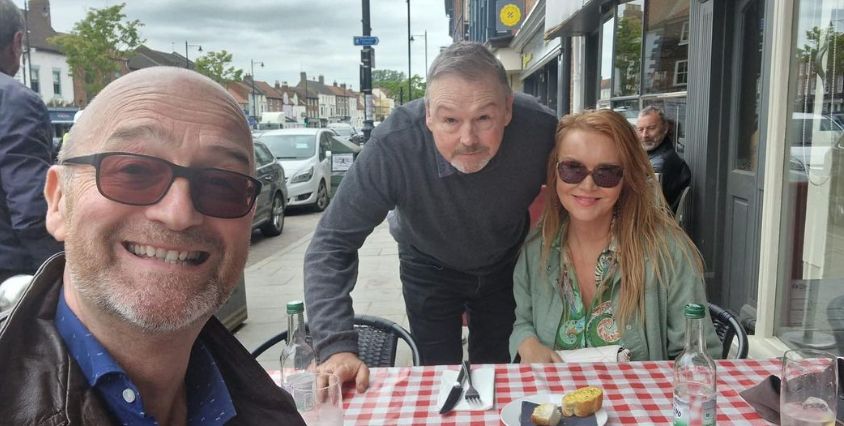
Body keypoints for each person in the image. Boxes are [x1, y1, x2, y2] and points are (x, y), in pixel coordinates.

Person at [0, 67, 304, 425]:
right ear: (57, 201)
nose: (179, 213)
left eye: (222, 184)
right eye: (133, 171)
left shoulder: (271, 410)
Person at [304, 42, 557, 389]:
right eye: (450, 120)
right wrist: (335, 346)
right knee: (440, 379)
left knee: (500, 376)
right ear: (428, 115)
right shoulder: (394, 146)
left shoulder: (539, 130)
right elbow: (331, 243)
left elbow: (588, 185)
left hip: (504, 264)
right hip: (428, 265)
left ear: (508, 110)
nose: (468, 139)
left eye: (484, 118)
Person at [509, 109, 721, 363]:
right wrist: (526, 342)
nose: (588, 185)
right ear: (554, 172)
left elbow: (698, 356)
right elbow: (522, 320)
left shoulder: (668, 252)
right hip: (554, 401)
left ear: (627, 178)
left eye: (606, 172)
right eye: (572, 169)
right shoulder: (536, 248)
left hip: (642, 402)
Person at [0, 0, 62, 283]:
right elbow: (31, 209)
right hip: (11, 271)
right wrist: (59, 275)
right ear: (17, 42)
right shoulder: (15, 102)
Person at [636, 106, 691, 211]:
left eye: (651, 128)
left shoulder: (662, 163)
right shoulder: (653, 155)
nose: (644, 135)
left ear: (665, 129)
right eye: (640, 129)